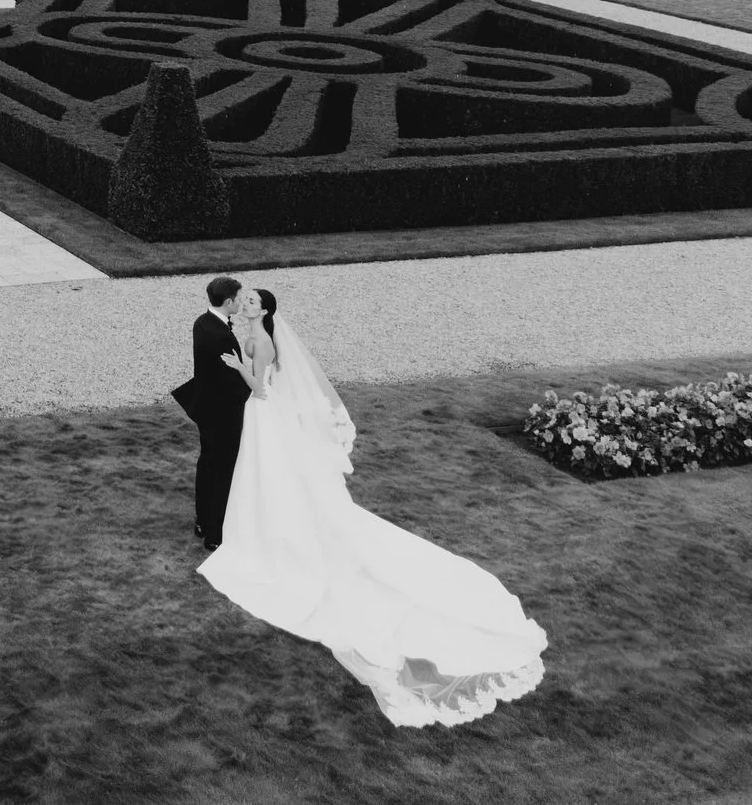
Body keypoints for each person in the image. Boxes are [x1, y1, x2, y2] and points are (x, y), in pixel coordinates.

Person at [198, 286, 548, 728]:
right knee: (263, 477)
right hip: (260, 417)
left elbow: (262, 389)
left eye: (251, 302)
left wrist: (236, 366)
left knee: (268, 477)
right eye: (243, 300)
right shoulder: (255, 333)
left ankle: (271, 538)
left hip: (261, 411)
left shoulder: (263, 340)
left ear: (265, 310)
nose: (244, 305)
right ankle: (260, 529)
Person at [181, 276, 253, 545]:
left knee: (208, 464)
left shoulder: (202, 322)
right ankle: (214, 534)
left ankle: (203, 520)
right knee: (222, 470)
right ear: (228, 302)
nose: (242, 300)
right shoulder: (222, 336)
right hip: (223, 414)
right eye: (239, 297)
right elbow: (232, 383)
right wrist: (255, 391)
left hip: (206, 408)